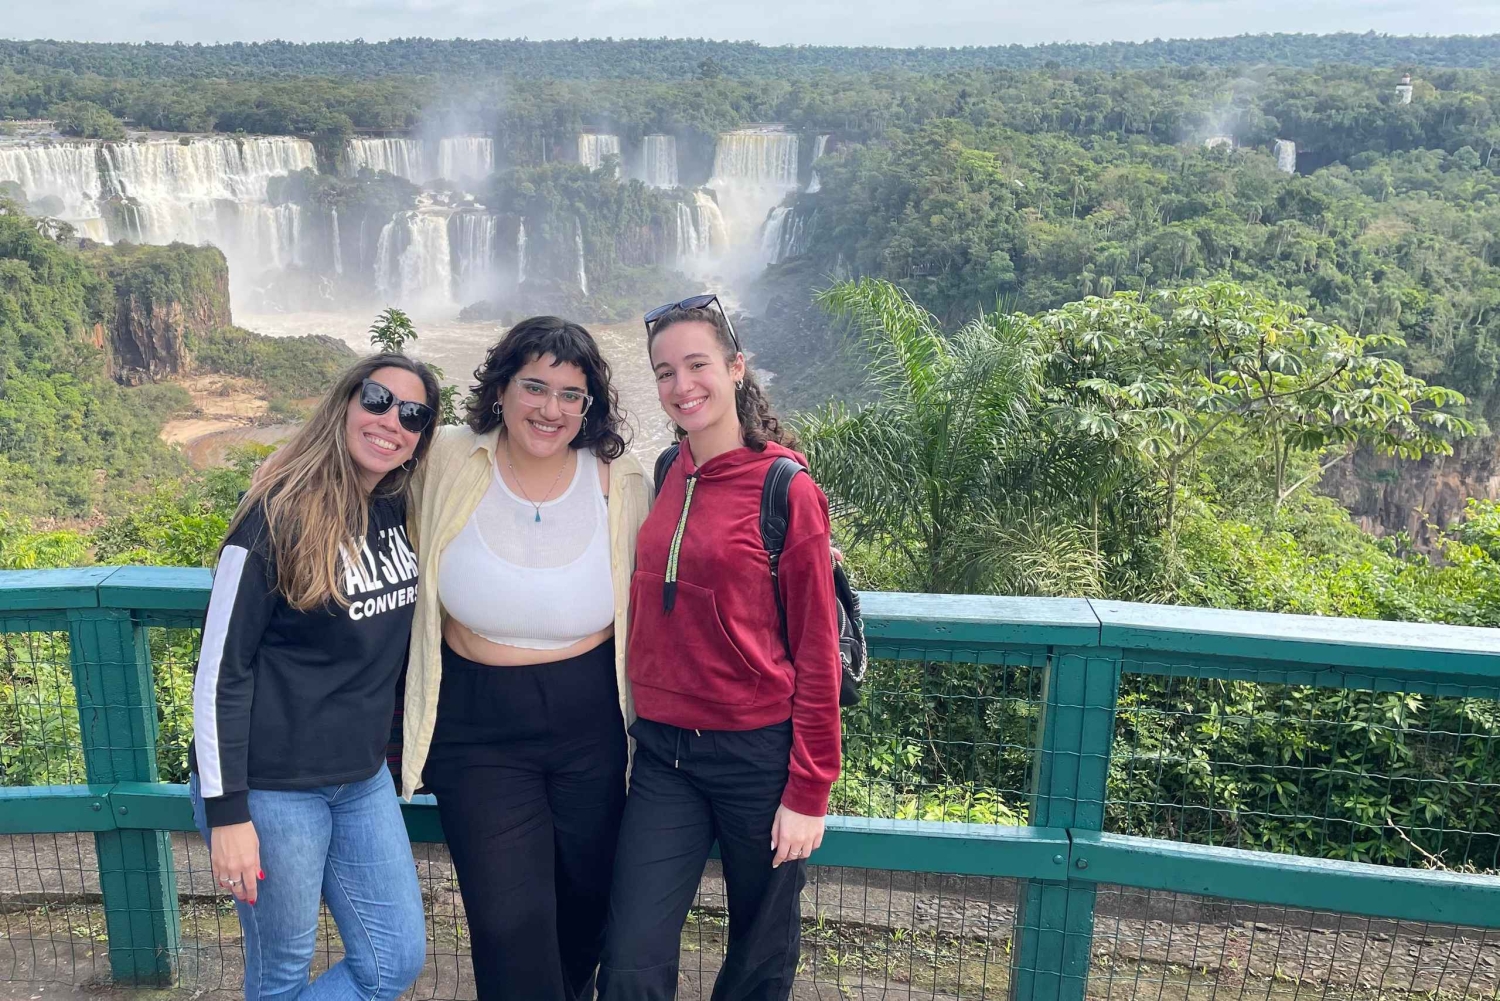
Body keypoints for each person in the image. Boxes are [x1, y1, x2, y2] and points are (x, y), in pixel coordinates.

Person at [597, 297, 843, 1000]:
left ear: (736, 368)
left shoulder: (785, 488)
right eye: (665, 371)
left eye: (697, 364)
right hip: (665, 756)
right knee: (629, 953)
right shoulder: (670, 466)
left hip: (757, 757)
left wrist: (808, 790)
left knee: (759, 957)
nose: (682, 385)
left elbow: (818, 654)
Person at [400, 316, 651, 1000]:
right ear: (502, 389)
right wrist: (280, 474)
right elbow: (362, 471)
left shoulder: (617, 476)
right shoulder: (451, 457)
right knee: (509, 920)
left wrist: (799, 541)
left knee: (586, 907)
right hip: (478, 727)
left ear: (589, 406)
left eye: (572, 394)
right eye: (534, 387)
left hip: (591, 721)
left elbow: (689, 544)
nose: (551, 409)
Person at [190, 354, 441, 1001]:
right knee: (281, 972)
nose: (393, 421)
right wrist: (228, 816)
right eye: (379, 399)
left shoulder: (396, 506)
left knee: (394, 958)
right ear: (346, 401)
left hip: (360, 780)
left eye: (414, 415)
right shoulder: (273, 516)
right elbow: (220, 670)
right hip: (272, 790)